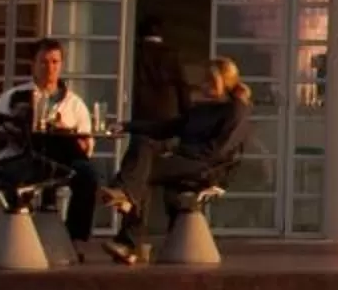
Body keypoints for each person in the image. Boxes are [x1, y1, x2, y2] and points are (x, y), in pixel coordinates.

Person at [99, 57, 252, 262]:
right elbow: (165, 127)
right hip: (185, 159)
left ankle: (129, 236)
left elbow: (219, 151)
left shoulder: (236, 110)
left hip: (209, 167)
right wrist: (127, 126)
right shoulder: (200, 109)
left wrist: (177, 151)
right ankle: (125, 199)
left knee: (143, 171)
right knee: (142, 146)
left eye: (210, 79)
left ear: (225, 81)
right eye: (204, 79)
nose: (204, 84)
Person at [0, 38, 100, 253]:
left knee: (87, 174)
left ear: (61, 65)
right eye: (43, 62)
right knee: (16, 170)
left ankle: (75, 237)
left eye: (54, 62)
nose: (50, 68)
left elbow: (87, 145)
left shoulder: (74, 104)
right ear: (33, 64)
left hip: (61, 160)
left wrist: (68, 134)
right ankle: (19, 238)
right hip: (23, 157)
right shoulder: (14, 97)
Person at [125, 17, 187, 139]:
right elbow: (182, 86)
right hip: (168, 112)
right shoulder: (172, 54)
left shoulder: (134, 53)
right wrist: (187, 114)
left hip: (141, 112)